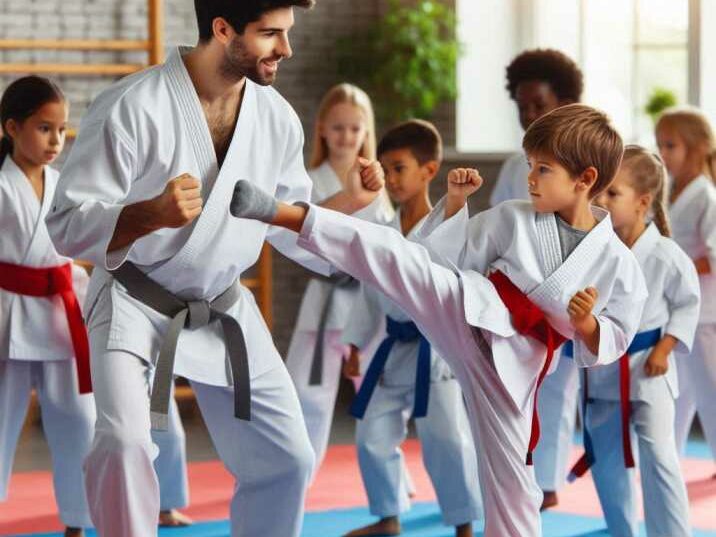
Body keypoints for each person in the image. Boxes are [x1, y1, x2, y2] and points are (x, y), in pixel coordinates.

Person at [230, 103, 648, 536]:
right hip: (472, 307)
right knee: (398, 255)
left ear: (585, 180)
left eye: (543, 169)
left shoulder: (616, 261)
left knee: (514, 484)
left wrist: (589, 327)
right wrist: (455, 203)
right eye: (530, 165)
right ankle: (287, 214)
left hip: (516, 364)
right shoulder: (513, 217)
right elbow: (445, 258)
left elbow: (619, 330)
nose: (529, 178)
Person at [45, 2, 383, 536]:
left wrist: (349, 201)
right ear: (223, 30)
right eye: (271, 34)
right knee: (123, 445)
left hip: (223, 305)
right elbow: (64, 224)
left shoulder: (276, 119)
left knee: (288, 457)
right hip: (135, 303)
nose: (286, 50)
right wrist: (148, 214)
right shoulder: (133, 105)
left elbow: (284, 225)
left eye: (287, 33)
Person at [341, 120, 482, 537]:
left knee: (447, 442)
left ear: (429, 170)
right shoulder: (382, 233)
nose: (392, 178)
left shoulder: (447, 226)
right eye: (386, 169)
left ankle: (464, 524)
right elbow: (370, 291)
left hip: (435, 352)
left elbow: (461, 273)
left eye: (399, 167)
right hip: (391, 350)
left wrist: (458, 200)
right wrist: (354, 343)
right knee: (371, 433)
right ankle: (387, 517)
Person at [579, 145, 699, 536]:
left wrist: (666, 347)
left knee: (658, 455)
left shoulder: (666, 254)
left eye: (612, 193)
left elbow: (687, 303)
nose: (600, 200)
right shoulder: (594, 250)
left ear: (642, 202)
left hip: (649, 368)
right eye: (599, 191)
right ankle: (621, 530)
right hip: (604, 368)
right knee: (607, 460)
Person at [492, 49, 585, 509]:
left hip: (570, 292)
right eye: (522, 106)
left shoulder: (585, 161)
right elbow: (497, 228)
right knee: (518, 388)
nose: (529, 114)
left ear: (563, 101)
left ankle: (547, 483)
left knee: (557, 388)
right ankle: (520, 473)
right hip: (518, 292)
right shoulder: (516, 166)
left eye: (539, 104)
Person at [0, 76, 93, 537]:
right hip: (7, 315)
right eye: (44, 128)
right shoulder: (0, 185)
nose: (56, 140)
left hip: (59, 315)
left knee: (79, 420)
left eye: (61, 130)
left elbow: (78, 246)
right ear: (12, 127)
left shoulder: (64, 184)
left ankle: (78, 519)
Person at [285, 83, 394, 474]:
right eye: (338, 127)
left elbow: (386, 238)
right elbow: (301, 236)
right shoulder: (309, 180)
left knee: (379, 393)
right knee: (307, 392)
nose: (346, 136)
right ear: (321, 129)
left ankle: (391, 477)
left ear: (367, 132)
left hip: (366, 301)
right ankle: (301, 473)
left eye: (355, 128)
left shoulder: (374, 182)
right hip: (327, 297)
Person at [656, 107, 716, 464]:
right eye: (659, 145)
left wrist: (674, 267)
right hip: (677, 312)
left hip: (705, 313)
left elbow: (712, 256)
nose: (662, 154)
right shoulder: (673, 193)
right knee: (676, 393)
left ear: (696, 147)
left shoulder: (706, 197)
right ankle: (667, 459)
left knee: (710, 393)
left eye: (670, 145)